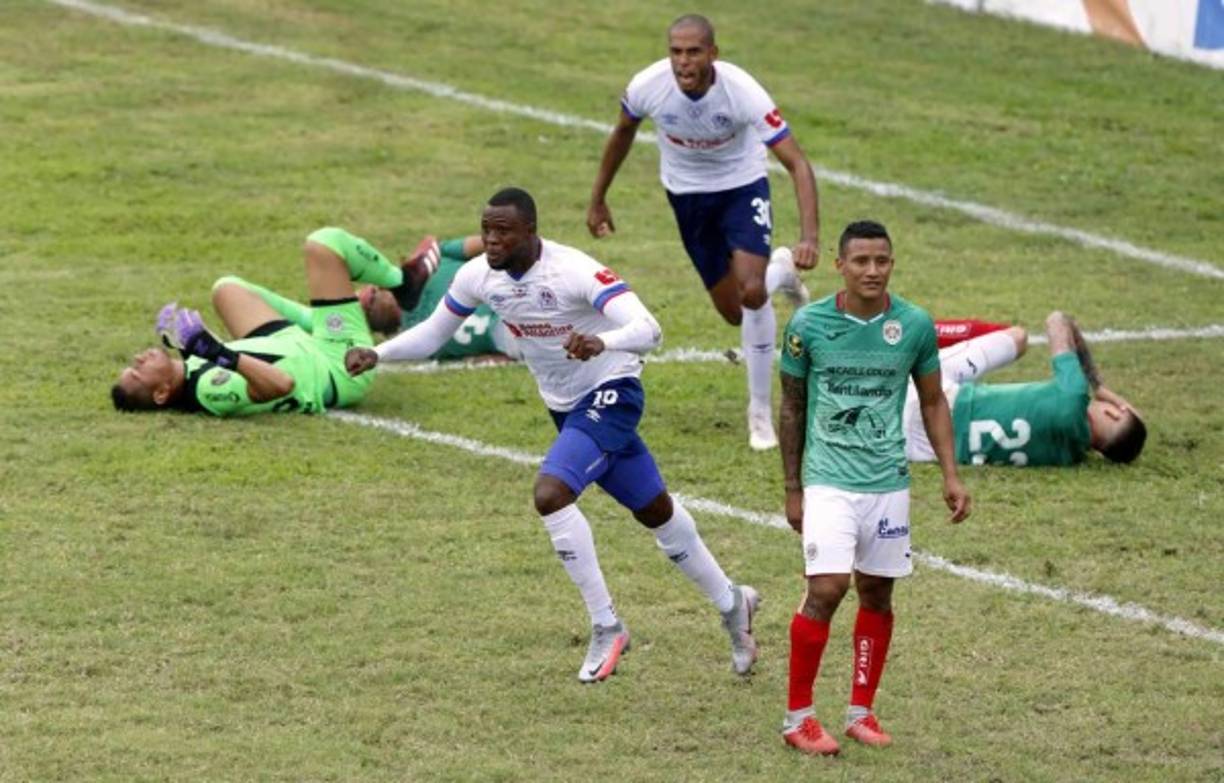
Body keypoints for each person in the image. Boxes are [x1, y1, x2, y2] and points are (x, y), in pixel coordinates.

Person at [346, 187, 760, 683]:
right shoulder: (479, 276)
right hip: (565, 406)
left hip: (613, 390)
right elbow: (434, 333)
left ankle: (607, 625)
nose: (492, 241)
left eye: (503, 231)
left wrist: (600, 341)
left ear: (530, 232)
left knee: (551, 493)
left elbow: (650, 329)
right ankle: (733, 602)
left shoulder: (573, 272)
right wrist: (380, 354)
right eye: (486, 231)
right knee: (654, 509)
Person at [777, 220, 970, 755]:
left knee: (878, 593)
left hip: (888, 481)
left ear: (892, 264)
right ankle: (798, 718)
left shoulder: (913, 325)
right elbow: (792, 406)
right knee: (827, 588)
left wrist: (950, 474)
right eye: (860, 261)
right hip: (828, 481)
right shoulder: (808, 325)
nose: (872, 270)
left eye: (881, 261)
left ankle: (861, 710)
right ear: (840, 265)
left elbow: (933, 401)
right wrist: (793, 487)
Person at [587, 13, 820, 451]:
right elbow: (621, 133)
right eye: (676, 51)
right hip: (688, 197)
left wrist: (810, 236)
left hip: (741, 187)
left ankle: (760, 414)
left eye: (693, 51)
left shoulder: (743, 91)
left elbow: (797, 163)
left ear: (713, 54)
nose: (683, 61)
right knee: (734, 311)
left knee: (752, 294)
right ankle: (781, 271)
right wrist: (598, 197)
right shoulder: (648, 86)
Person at [111, 226, 427, 416]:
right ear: (162, 393)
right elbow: (280, 385)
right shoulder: (210, 391)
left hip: (293, 344)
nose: (138, 359)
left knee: (226, 289)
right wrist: (216, 351)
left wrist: (192, 348)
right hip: (337, 366)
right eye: (138, 373)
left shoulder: (192, 372)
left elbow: (211, 360)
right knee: (324, 244)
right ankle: (404, 284)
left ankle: (332, 313)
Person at [234, 234, 523, 364]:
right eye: (365, 308)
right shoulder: (414, 339)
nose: (367, 298)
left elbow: (488, 244)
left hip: (519, 291)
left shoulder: (439, 259)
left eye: (370, 294)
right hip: (513, 332)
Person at [903, 314, 1147, 466]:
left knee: (1017, 337)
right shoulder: (1069, 455)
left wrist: (1101, 387)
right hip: (923, 448)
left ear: (1114, 413)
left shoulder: (1074, 397)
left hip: (934, 400)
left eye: (1119, 406)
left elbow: (1058, 320)